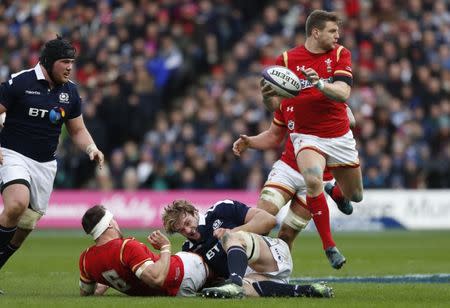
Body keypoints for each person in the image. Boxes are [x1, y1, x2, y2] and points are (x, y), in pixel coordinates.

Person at [261, 10, 364, 269]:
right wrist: (266, 97)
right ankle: (329, 246)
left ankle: (338, 192)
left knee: (357, 195)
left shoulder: (341, 54)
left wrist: (320, 85)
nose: (337, 36)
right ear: (316, 32)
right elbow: (276, 103)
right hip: (306, 135)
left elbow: (343, 92)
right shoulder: (285, 59)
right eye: (332, 31)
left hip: (338, 136)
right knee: (312, 180)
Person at [0, 36, 104, 272]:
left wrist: (91, 148)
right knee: (17, 204)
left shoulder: (70, 92)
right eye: (65, 61)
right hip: (12, 154)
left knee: (26, 224)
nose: (70, 67)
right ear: (48, 62)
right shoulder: (20, 82)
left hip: (45, 164)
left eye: (72, 62)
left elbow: (77, 129)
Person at [233, 101, 355, 268]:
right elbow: (273, 136)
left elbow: (352, 121)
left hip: (316, 180)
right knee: (261, 220)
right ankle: (236, 266)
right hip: (287, 170)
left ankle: (277, 276)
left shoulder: (330, 99)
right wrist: (250, 142)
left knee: (286, 236)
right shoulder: (288, 100)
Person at [162, 199, 334, 298]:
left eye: (187, 223)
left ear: (194, 212)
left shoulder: (220, 210)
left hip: (272, 255)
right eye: (180, 230)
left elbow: (269, 220)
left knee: (232, 237)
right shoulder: (190, 251)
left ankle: (235, 283)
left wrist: (233, 232)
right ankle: (308, 290)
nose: (187, 230)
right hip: (257, 279)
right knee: (239, 291)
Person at [79, 205, 208, 297]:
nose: (117, 223)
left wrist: (107, 283)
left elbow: (85, 292)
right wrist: (165, 247)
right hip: (186, 272)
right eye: (113, 220)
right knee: (214, 261)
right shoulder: (126, 246)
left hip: (175, 284)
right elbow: (157, 279)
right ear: (109, 224)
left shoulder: (85, 259)